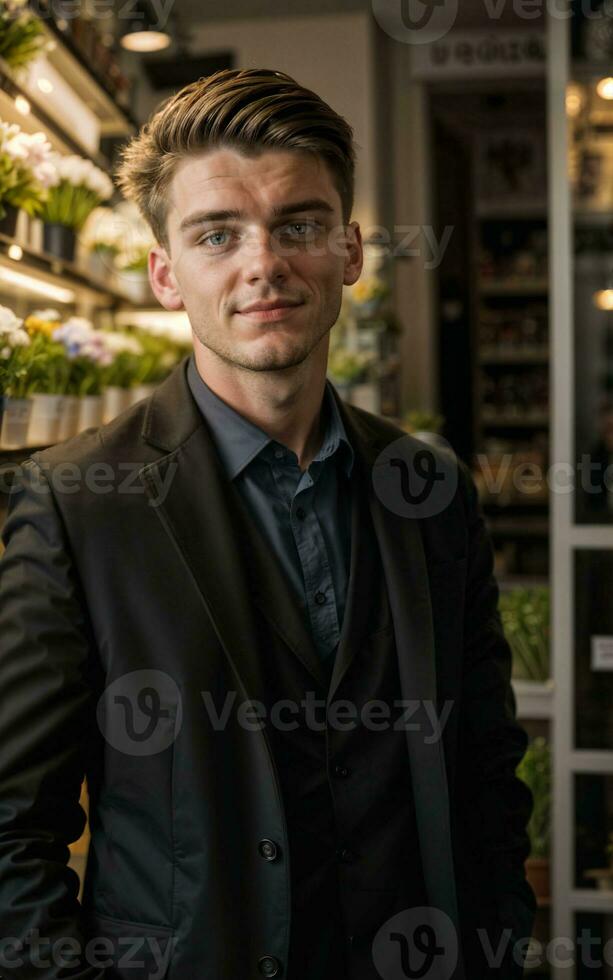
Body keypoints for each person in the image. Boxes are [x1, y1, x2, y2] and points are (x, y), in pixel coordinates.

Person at [0, 68, 536, 980]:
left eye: (299, 225)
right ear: (167, 275)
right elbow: (13, 827)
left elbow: (485, 766)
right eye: (218, 234)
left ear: (352, 251)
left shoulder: (429, 487)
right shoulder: (76, 503)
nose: (264, 263)